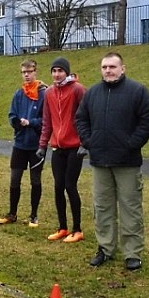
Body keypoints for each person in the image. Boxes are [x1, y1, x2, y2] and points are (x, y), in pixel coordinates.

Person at [75, 52, 149, 271]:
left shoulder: (137, 91)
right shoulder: (92, 93)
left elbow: (148, 119)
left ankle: (132, 253)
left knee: (130, 208)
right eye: (104, 67)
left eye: (112, 66)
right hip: (100, 161)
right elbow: (81, 118)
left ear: (123, 68)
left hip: (127, 162)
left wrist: (132, 143)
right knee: (102, 207)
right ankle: (105, 248)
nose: (108, 71)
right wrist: (89, 141)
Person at [37, 57, 87, 243]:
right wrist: (43, 145)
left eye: (60, 71)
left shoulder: (78, 90)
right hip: (57, 147)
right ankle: (62, 227)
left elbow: (86, 117)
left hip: (75, 147)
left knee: (70, 186)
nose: (57, 74)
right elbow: (47, 121)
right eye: (54, 70)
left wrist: (85, 142)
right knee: (58, 187)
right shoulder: (49, 93)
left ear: (67, 72)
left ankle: (77, 229)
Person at [0, 59, 48, 228]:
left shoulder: (43, 94)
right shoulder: (19, 94)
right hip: (20, 144)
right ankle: (12, 213)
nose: (26, 75)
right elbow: (12, 115)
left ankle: (34, 216)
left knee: (35, 181)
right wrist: (17, 123)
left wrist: (31, 122)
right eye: (24, 72)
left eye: (29, 71)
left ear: (35, 72)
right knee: (15, 179)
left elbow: (46, 120)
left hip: (36, 145)